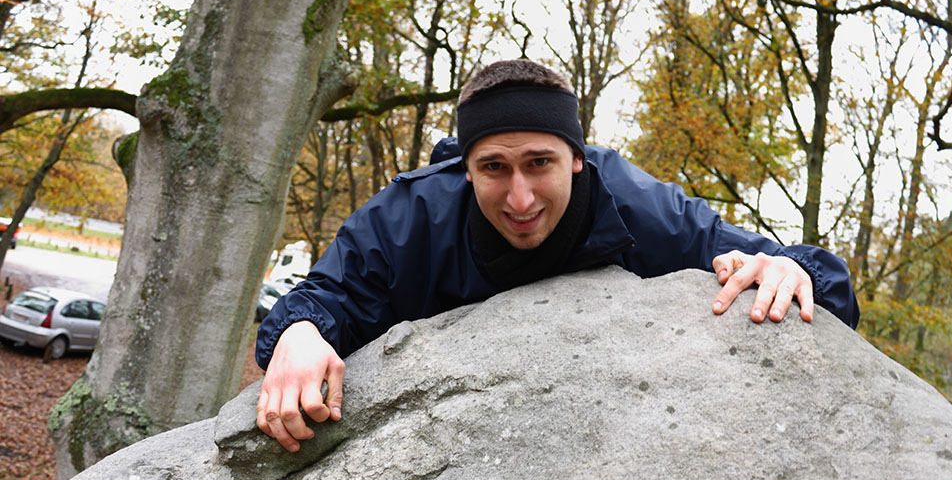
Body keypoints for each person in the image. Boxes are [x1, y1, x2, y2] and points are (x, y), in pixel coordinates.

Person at [256, 59, 859, 452]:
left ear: (576, 156)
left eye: (539, 163)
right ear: (464, 170)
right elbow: (328, 296)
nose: (519, 198)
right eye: (494, 168)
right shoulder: (406, 217)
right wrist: (299, 331)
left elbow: (813, 282)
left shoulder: (633, 203)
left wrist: (790, 266)